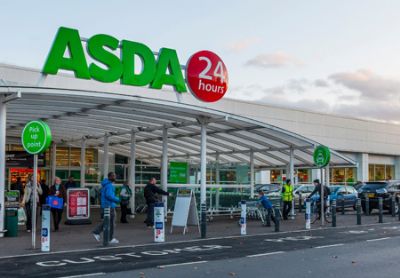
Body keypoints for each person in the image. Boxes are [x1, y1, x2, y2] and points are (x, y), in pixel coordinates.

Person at [93, 172, 120, 244]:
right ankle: (110, 238)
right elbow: (109, 196)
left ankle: (96, 232)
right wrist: (118, 199)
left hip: (105, 205)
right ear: (110, 177)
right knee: (111, 223)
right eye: (114, 176)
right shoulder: (109, 185)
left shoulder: (105, 184)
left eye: (115, 175)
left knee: (107, 221)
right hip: (109, 206)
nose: (115, 177)